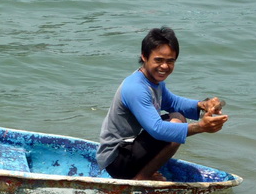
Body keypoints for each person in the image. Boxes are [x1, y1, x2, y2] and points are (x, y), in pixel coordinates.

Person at [96, 26, 228, 181]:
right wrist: (200, 127)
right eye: (158, 60)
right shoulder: (136, 88)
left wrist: (202, 105)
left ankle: (142, 173)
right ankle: (142, 178)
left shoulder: (154, 82)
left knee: (177, 116)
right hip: (115, 161)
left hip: (127, 152)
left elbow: (173, 102)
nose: (164, 66)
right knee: (177, 120)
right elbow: (157, 129)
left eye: (170, 61)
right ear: (144, 57)